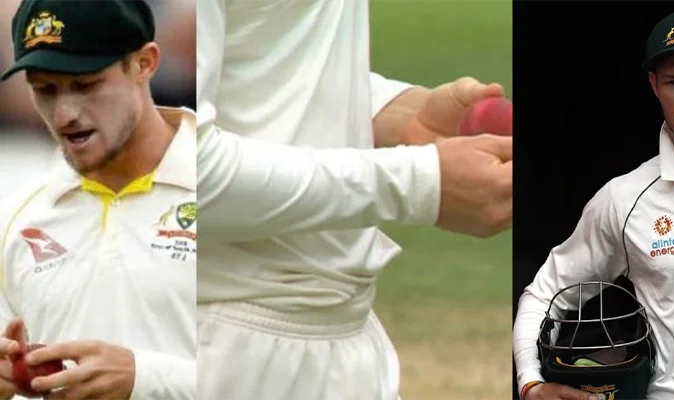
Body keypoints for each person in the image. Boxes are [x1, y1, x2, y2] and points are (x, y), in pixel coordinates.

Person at [196, 1, 512, 399]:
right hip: (225, 349)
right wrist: (418, 182)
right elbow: (187, 168)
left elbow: (265, 52)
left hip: (343, 338)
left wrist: (397, 113)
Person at [0, 0, 195, 398]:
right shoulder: (18, 214)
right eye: (45, 90)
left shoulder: (230, 190)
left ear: (144, 63)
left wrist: (146, 380)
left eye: (86, 85)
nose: (63, 114)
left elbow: (297, 375)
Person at [513, 5, 674, 400]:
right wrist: (531, 383)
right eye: (672, 83)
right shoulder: (625, 198)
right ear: (653, 85)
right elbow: (544, 292)